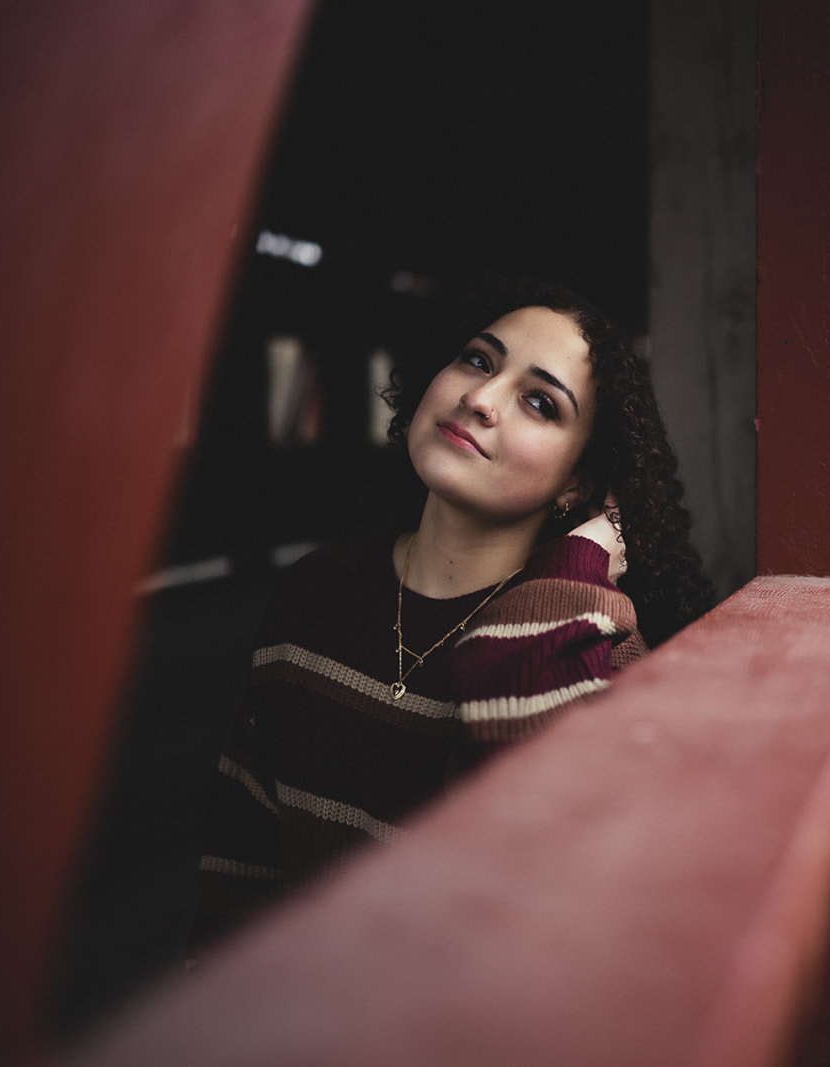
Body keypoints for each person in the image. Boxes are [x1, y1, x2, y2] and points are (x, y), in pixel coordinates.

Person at [189, 278, 713, 951]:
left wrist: (570, 575)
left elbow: (563, 888)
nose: (480, 398)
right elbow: (239, 870)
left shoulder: (598, 646)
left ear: (579, 482)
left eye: (539, 402)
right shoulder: (313, 593)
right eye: (478, 360)